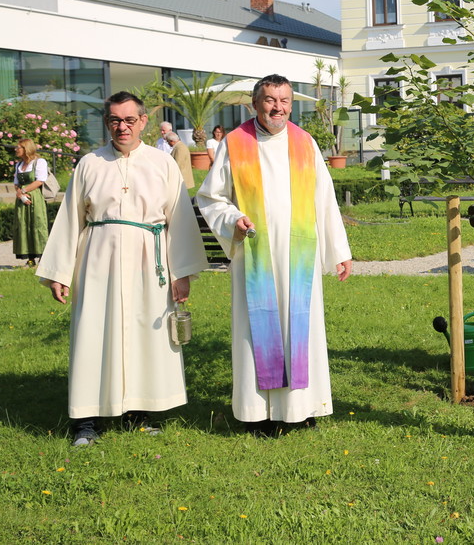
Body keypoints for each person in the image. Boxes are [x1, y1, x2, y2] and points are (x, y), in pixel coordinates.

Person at [36, 92, 208, 446]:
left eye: (129, 120)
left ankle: (137, 412)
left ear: (143, 122)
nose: (122, 127)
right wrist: (59, 271)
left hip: (150, 259)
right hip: (97, 258)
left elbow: (181, 221)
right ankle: (86, 419)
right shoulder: (90, 163)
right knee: (93, 333)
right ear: (107, 122)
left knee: (144, 333)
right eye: (115, 120)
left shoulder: (163, 165)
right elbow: (70, 218)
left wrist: (183, 273)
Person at [197, 74, 352, 435]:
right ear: (255, 104)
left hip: (299, 254)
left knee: (302, 327)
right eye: (269, 100)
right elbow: (210, 197)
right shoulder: (235, 143)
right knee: (258, 330)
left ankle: (302, 408)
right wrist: (233, 218)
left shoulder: (304, 142)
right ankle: (259, 413)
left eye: (283, 100)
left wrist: (339, 251)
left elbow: (324, 201)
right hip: (254, 253)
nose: (277, 107)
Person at [12, 138, 50, 266]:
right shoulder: (18, 165)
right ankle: (30, 258)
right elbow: (16, 183)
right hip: (22, 198)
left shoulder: (39, 162)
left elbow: (40, 180)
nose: (16, 149)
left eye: (19, 147)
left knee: (37, 224)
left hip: (35, 198)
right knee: (24, 225)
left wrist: (23, 190)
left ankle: (44, 257)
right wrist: (20, 194)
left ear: (26, 149)